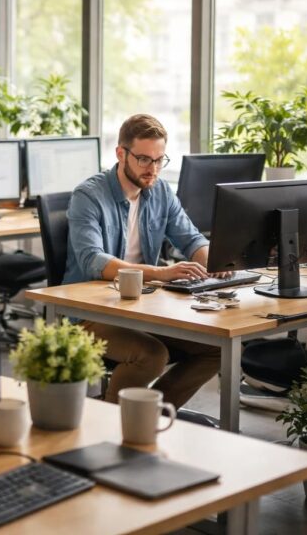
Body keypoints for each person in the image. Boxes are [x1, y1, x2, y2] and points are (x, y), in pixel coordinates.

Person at [63, 113, 221, 409]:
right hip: (89, 314)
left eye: (160, 160)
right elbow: (93, 261)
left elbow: (191, 239)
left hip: (141, 309)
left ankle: (147, 413)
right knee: (151, 354)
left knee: (216, 348)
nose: (153, 169)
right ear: (121, 153)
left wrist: (217, 262)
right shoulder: (89, 195)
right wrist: (163, 273)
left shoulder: (160, 190)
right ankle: (116, 423)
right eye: (144, 160)